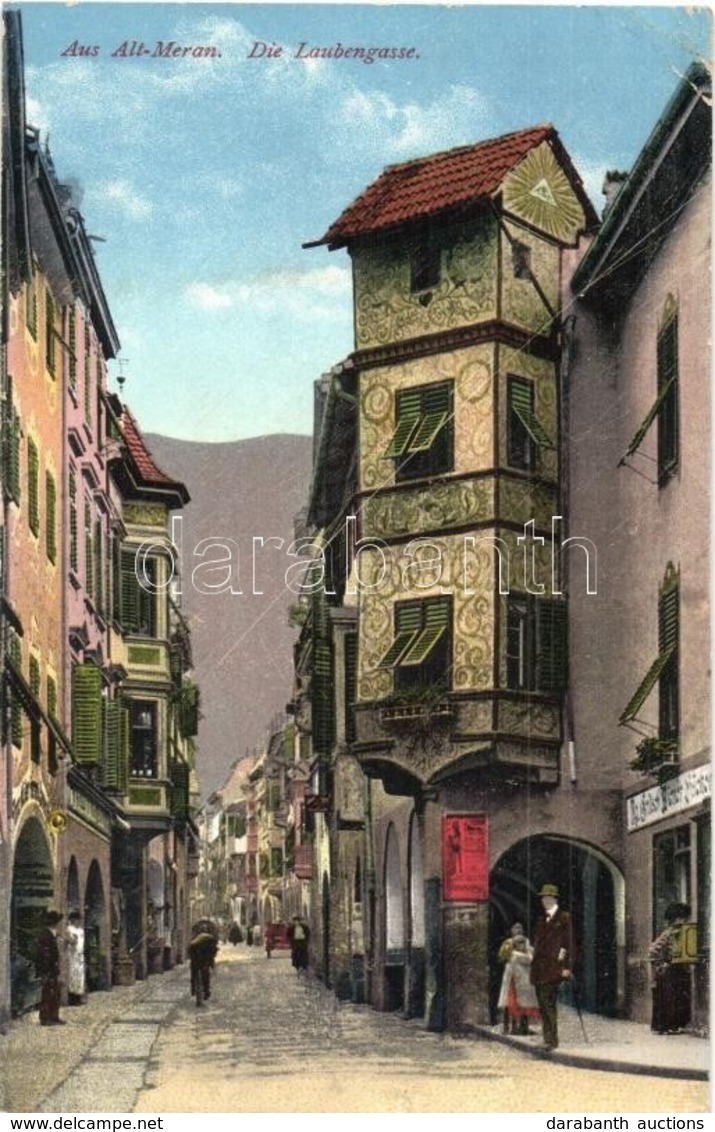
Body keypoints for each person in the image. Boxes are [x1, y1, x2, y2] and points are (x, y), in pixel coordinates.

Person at [529, 883, 576, 1051]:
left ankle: (551, 1040)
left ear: (555, 899)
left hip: (553, 968)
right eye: (543, 898)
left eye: (548, 898)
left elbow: (567, 945)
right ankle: (547, 1038)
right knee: (543, 1004)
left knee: (549, 1004)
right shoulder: (542, 920)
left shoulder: (564, 918)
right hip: (540, 970)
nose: (545, 901)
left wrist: (565, 965)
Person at [649, 902, 692, 1034]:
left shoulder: (678, 932)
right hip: (669, 971)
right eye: (685, 918)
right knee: (668, 999)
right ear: (678, 918)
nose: (686, 921)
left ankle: (669, 1026)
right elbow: (653, 950)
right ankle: (666, 1027)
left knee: (672, 999)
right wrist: (661, 963)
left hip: (674, 970)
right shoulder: (669, 933)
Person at [497, 922, 540, 1035]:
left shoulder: (528, 945)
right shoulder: (508, 944)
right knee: (511, 1001)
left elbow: (533, 957)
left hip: (524, 976)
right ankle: (510, 1027)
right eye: (516, 928)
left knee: (523, 1003)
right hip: (513, 977)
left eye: (520, 927)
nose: (518, 930)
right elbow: (502, 957)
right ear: (511, 930)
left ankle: (522, 1027)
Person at [35, 909, 65, 1026]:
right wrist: (47, 972)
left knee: (54, 993)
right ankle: (46, 1018)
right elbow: (45, 956)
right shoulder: (46, 935)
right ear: (54, 924)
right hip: (48, 970)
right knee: (48, 994)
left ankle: (53, 1016)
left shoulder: (51, 935)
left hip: (52, 970)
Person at [188, 921, 218, 1005]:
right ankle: (205, 991)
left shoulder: (195, 939)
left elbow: (190, 950)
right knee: (205, 975)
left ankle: (194, 990)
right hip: (204, 961)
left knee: (195, 974)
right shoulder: (209, 938)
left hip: (198, 961)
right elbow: (213, 950)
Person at [65, 911, 86, 1006]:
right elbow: (71, 941)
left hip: (80, 956)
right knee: (73, 977)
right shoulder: (69, 929)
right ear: (72, 920)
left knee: (80, 977)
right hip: (72, 956)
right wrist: (72, 940)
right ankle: (72, 998)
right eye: (76, 920)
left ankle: (79, 996)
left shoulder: (81, 931)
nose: (78, 922)